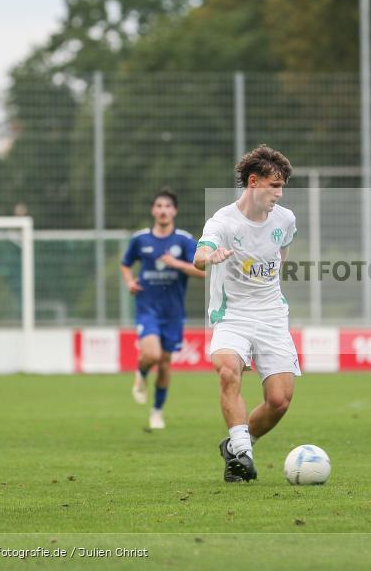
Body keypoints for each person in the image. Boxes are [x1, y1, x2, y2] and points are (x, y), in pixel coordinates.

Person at [194, 145, 298, 483]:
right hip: (232, 314)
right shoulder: (223, 221)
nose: (279, 194)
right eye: (274, 186)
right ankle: (243, 454)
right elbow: (200, 255)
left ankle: (236, 446)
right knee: (228, 371)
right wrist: (210, 257)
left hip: (271, 315)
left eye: (282, 187)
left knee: (280, 400)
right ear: (253, 183)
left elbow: (280, 254)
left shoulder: (285, 220)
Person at [121, 187, 204, 430]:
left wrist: (175, 263)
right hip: (147, 306)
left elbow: (201, 272)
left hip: (173, 311)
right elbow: (125, 264)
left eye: (168, 206)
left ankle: (156, 412)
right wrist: (129, 281)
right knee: (153, 355)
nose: (163, 210)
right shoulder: (140, 239)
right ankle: (141, 371)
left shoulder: (185, 240)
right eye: (159, 206)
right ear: (153, 210)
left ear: (174, 211)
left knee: (166, 364)